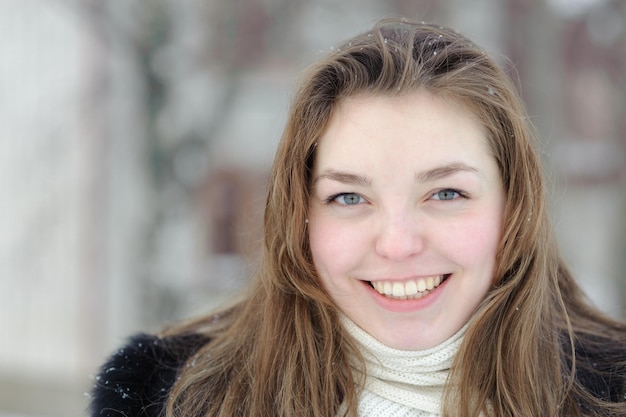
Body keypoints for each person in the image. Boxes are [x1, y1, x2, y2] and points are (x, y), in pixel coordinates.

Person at [89, 17, 626, 417]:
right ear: (298, 218)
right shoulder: (161, 397)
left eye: (445, 193)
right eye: (349, 198)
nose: (397, 244)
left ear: (514, 209)